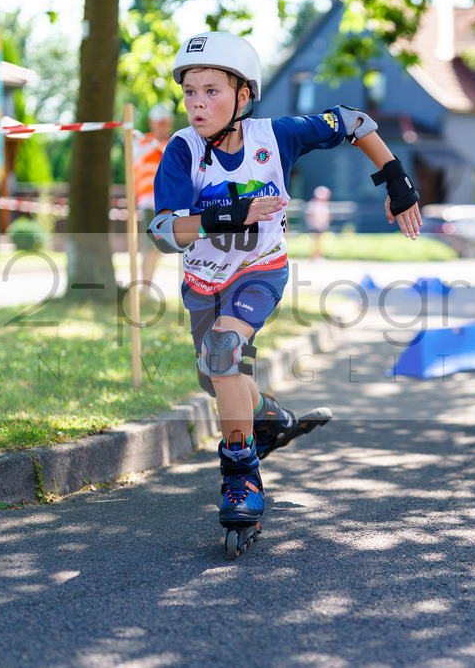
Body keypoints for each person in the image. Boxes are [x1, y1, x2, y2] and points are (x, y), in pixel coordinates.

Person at [147, 31, 422, 550]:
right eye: (189, 92)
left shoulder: (276, 136)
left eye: (211, 91)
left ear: (243, 96)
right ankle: (269, 418)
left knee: (223, 353)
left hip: (261, 271)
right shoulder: (182, 150)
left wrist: (396, 179)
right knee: (218, 378)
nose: (197, 103)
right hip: (203, 281)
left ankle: (241, 478)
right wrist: (231, 214)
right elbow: (163, 233)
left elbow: (352, 121)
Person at [133, 103, 174, 296]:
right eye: (159, 122)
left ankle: (146, 287)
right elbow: (135, 157)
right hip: (148, 202)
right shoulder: (142, 141)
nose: (162, 126)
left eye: (165, 122)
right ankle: (144, 289)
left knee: (157, 248)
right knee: (149, 247)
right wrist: (156, 144)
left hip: (167, 203)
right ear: (151, 122)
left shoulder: (173, 143)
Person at [305, 185, 332, 260]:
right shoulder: (314, 204)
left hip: (321, 225)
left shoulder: (323, 204)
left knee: (319, 241)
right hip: (315, 226)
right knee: (315, 241)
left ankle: (318, 256)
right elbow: (311, 215)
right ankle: (314, 256)